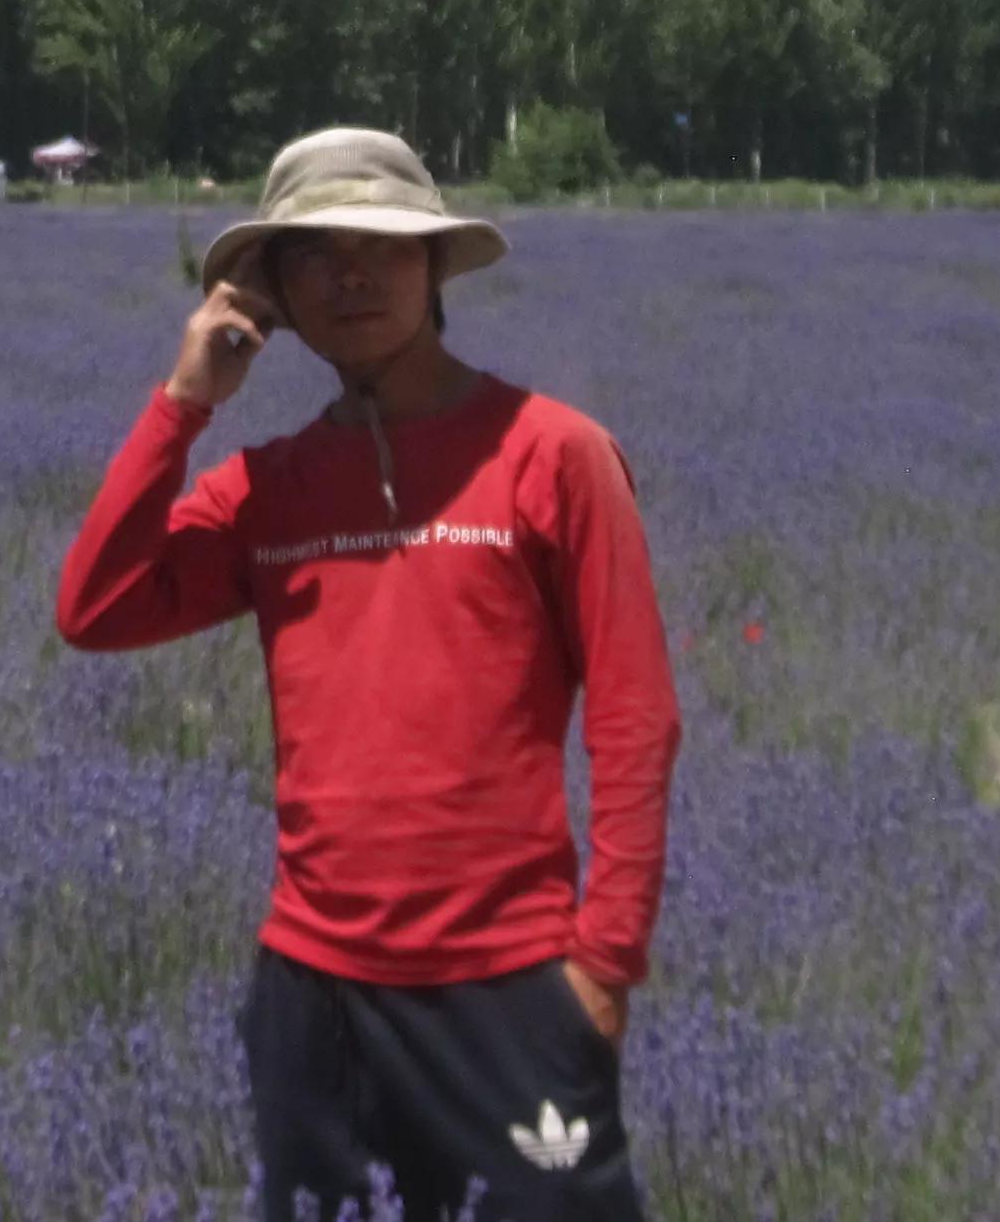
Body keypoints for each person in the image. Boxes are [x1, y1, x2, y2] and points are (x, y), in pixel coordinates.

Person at [56, 126, 680, 1222]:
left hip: (510, 987)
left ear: (433, 266)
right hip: (314, 995)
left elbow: (635, 715)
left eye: (383, 246)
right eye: (315, 254)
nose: (351, 276)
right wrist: (184, 404)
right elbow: (95, 609)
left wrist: (604, 966)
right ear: (277, 296)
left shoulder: (553, 456)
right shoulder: (269, 489)